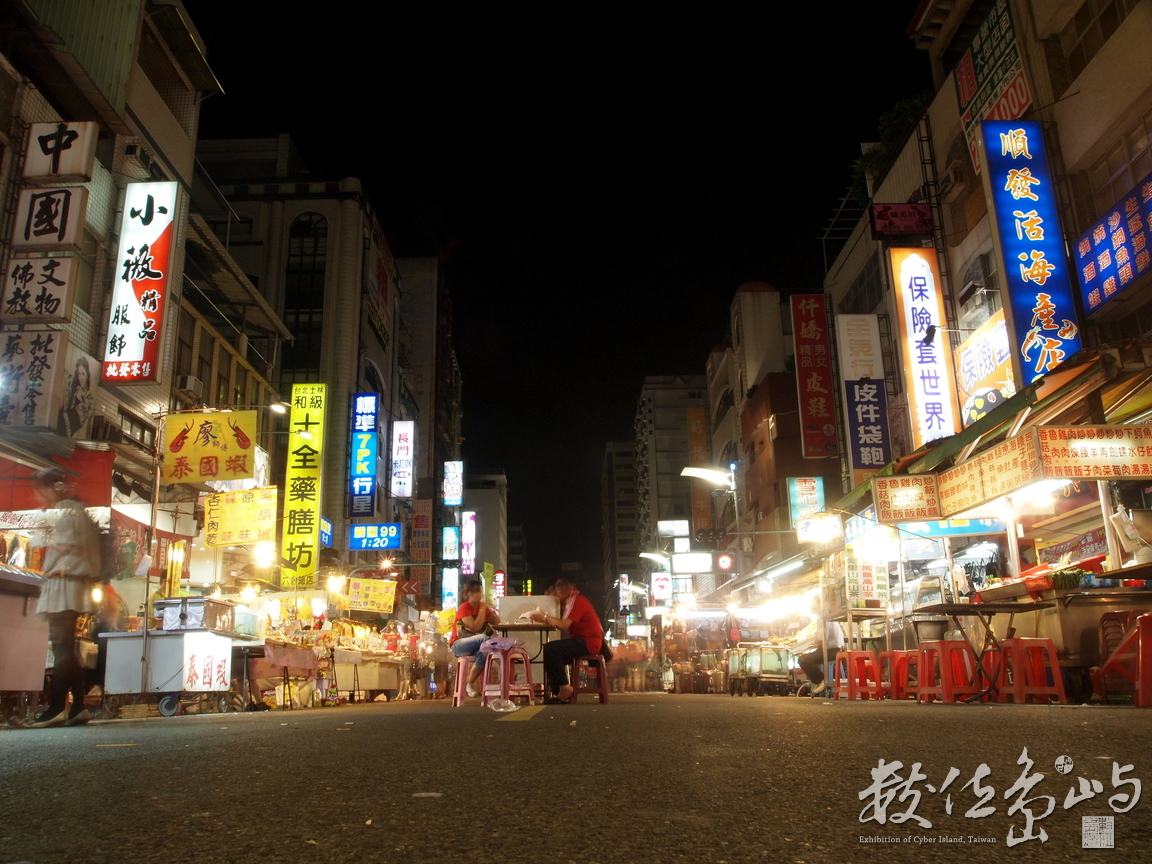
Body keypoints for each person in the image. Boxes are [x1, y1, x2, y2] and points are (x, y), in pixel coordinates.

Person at [30, 467, 101, 727]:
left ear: (50, 488)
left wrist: (39, 530)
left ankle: (57, 707)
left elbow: (63, 544)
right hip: (71, 582)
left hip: (64, 582)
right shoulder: (75, 508)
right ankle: (78, 707)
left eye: (39, 491)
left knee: (61, 646)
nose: (38, 498)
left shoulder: (65, 509)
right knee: (66, 647)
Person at [530, 577, 603, 703]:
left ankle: (563, 688)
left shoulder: (576, 600)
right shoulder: (571, 601)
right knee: (551, 651)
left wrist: (545, 617)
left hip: (588, 642)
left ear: (573, 586)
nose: (560, 589)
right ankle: (558, 691)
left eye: (564, 585)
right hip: (583, 640)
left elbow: (563, 625)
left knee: (551, 649)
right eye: (558, 586)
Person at [450, 580, 499, 698]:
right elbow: (475, 627)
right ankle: (506, 667)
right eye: (474, 592)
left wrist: (490, 611)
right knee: (484, 638)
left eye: (479, 591)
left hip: (476, 646)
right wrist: (483, 611)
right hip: (458, 645)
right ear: (467, 594)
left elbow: (497, 621)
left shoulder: (482, 607)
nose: (478, 594)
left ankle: (469, 684)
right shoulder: (464, 607)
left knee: (485, 652)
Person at [797, 618, 845, 696]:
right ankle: (818, 681)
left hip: (832, 651)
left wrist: (806, 645)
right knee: (805, 658)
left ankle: (821, 680)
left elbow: (822, 641)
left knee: (803, 659)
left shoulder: (825, 620)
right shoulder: (827, 618)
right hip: (831, 649)